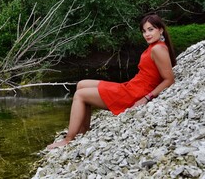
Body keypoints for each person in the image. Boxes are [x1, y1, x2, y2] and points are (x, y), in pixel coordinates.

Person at [47, 14, 176, 149]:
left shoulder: (158, 49)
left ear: (160, 30)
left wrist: (146, 98)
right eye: (144, 31)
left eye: (151, 29)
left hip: (134, 94)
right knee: (81, 84)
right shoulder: (155, 46)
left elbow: (169, 80)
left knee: (80, 95)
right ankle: (83, 131)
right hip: (131, 86)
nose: (147, 34)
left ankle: (68, 139)